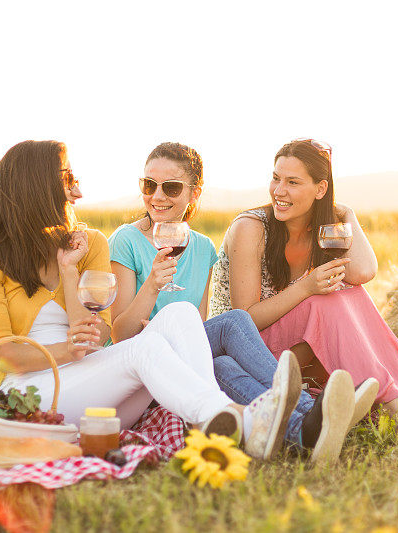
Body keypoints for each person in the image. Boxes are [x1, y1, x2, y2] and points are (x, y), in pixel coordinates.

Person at [0, 140, 294, 460]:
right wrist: (68, 351)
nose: (78, 191)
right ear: (36, 185)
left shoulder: (88, 243)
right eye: (67, 179)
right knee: (143, 347)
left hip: (96, 390)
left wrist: (68, 272)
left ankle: (212, 420)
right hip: (26, 398)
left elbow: (98, 334)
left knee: (180, 311)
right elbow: (3, 355)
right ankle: (243, 422)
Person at [108, 142, 378, 462]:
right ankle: (310, 409)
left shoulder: (202, 247)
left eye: (171, 187)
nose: (157, 196)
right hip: (143, 362)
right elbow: (119, 335)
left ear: (194, 193)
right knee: (236, 320)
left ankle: (305, 432)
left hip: (181, 364)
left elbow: (197, 327)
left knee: (222, 365)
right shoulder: (125, 240)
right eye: (149, 185)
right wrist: (153, 286)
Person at [209, 139, 398, 443]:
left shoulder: (322, 231)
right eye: (276, 178)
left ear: (320, 189)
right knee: (325, 302)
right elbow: (243, 320)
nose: (278, 191)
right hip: (246, 349)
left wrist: (347, 215)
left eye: (293, 182)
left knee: (351, 294)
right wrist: (307, 288)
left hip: (297, 346)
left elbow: (363, 272)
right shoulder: (252, 228)